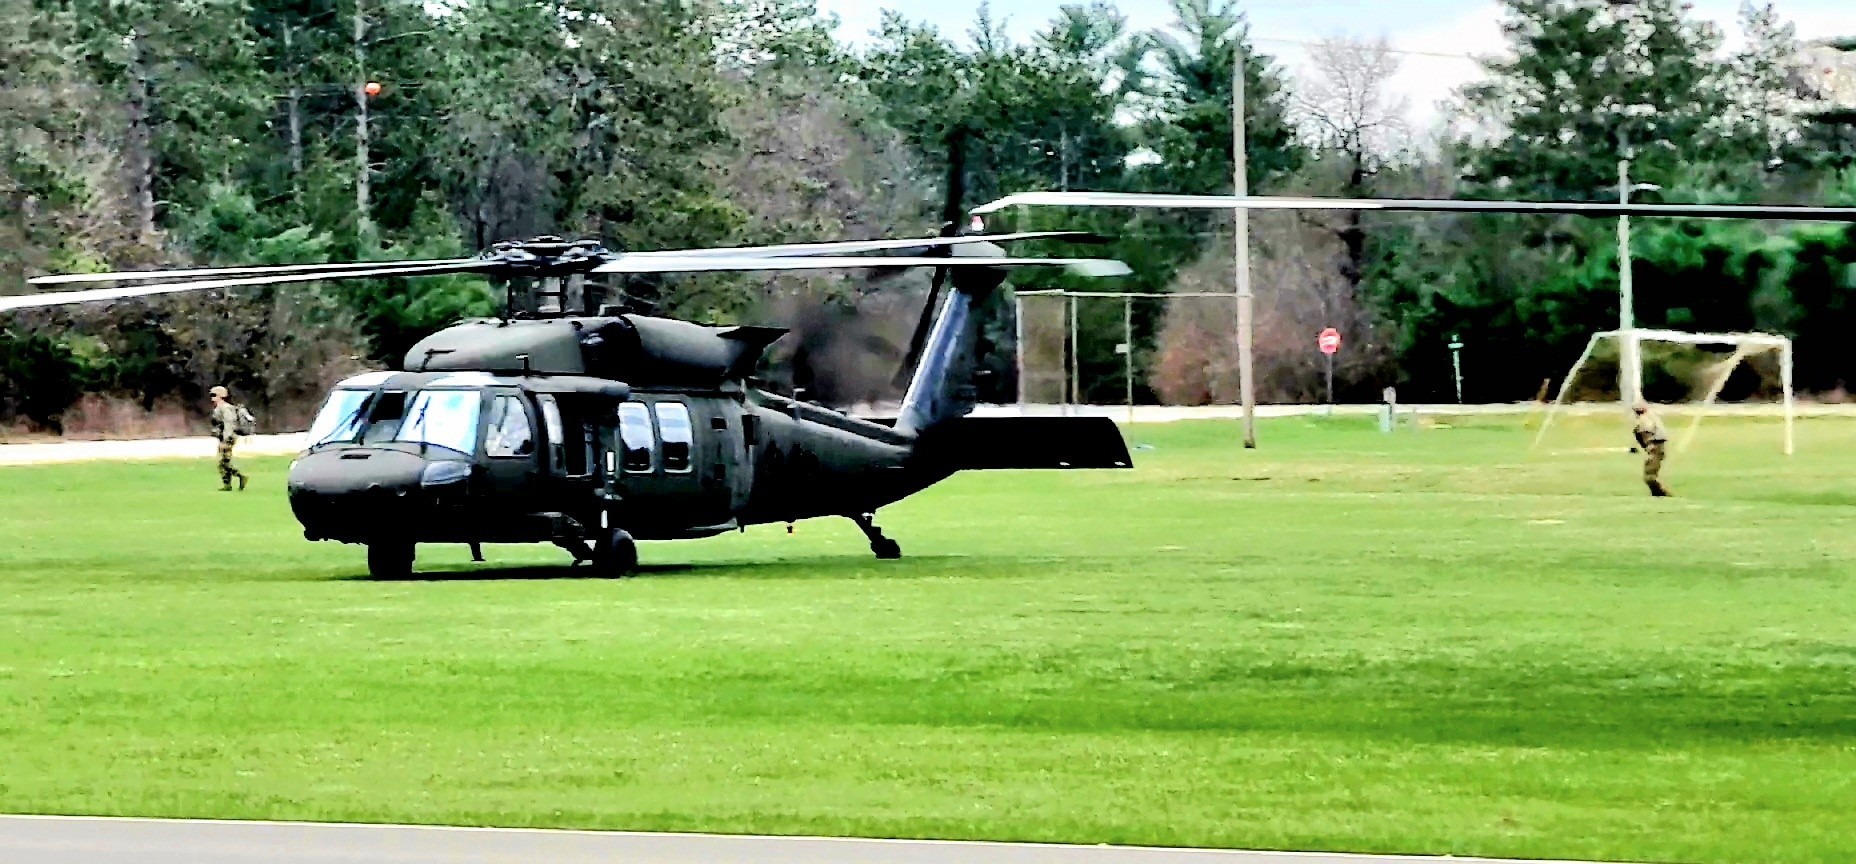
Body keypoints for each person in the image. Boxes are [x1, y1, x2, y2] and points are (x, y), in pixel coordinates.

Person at [209, 385, 250, 492]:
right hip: (224, 437)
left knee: (223, 462)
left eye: (214, 395)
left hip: (228, 437)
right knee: (223, 462)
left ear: (221, 396)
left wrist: (226, 438)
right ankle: (227, 484)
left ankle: (241, 476)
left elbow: (229, 423)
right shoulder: (219, 408)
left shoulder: (226, 408)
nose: (212, 398)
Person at [1632, 402, 1670, 497]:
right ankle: (1658, 493)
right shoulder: (1651, 417)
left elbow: (1646, 431)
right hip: (1657, 446)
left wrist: (1648, 444)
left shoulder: (1644, 419)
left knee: (1649, 475)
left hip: (1655, 446)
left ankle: (1661, 493)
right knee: (1649, 474)